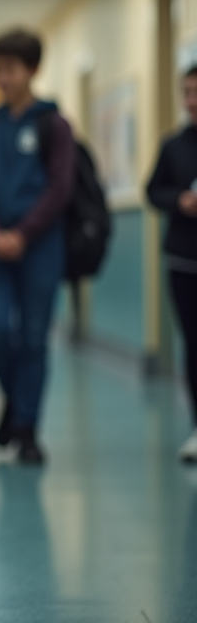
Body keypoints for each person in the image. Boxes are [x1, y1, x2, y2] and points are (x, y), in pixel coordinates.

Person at [0, 29, 75, 467]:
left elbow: (60, 187)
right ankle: (16, 401)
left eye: (10, 69)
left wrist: (23, 234)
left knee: (33, 338)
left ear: (32, 70)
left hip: (41, 245)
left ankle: (27, 429)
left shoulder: (54, 125)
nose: (2, 77)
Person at [146, 65, 197, 464]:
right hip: (184, 258)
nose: (192, 101)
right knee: (194, 345)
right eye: (187, 92)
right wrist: (178, 201)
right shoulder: (173, 146)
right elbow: (152, 190)